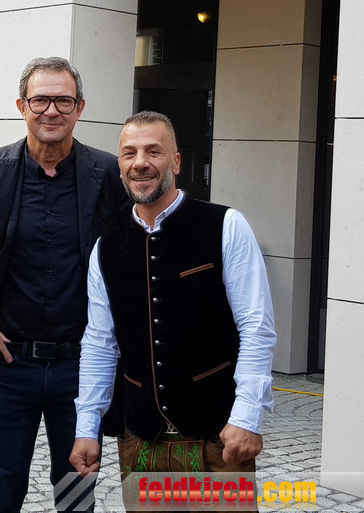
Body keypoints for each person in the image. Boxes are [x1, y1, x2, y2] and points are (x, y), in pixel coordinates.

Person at [71, 111, 276, 508]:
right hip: (140, 439)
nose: (140, 162)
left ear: (176, 162)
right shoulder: (106, 245)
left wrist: (247, 417)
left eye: (153, 151)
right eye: (129, 153)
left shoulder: (226, 226)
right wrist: (87, 428)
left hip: (218, 438)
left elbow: (256, 327)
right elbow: (99, 344)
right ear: (120, 165)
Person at [0, 56, 127, 513]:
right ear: (22, 105)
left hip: (82, 366)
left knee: (76, 490)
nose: (51, 110)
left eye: (63, 101)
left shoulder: (109, 174)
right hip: (8, 364)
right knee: (2, 489)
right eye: (40, 100)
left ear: (80, 107)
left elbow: (131, 259)